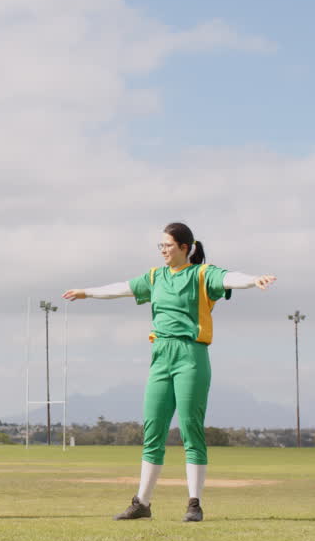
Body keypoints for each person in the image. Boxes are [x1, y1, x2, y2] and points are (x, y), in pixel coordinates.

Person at [63, 223, 275, 523]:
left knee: (191, 428)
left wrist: (255, 280)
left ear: (185, 248)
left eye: (168, 245)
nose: (163, 250)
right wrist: (87, 293)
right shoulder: (155, 277)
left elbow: (229, 278)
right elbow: (122, 288)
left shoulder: (201, 274)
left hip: (191, 355)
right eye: (160, 246)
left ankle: (194, 503)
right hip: (160, 355)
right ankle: (142, 503)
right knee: (153, 428)